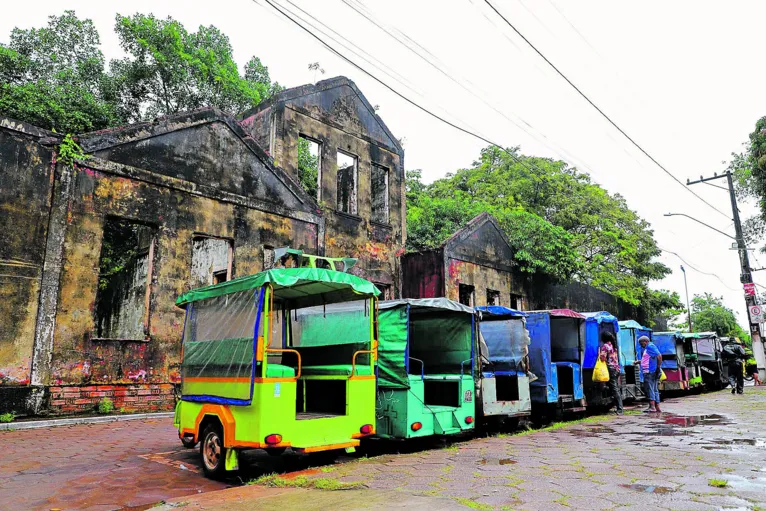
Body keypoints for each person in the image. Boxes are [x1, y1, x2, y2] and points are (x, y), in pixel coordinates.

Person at [635, 335, 662, 413]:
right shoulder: (648, 348)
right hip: (651, 371)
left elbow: (659, 356)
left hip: (650, 372)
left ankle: (652, 407)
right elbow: (647, 359)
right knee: (654, 389)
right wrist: (639, 362)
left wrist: (658, 367)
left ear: (645, 342)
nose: (641, 345)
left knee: (649, 389)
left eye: (641, 343)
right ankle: (657, 407)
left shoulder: (650, 346)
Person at [599, 332, 623, 415]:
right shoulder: (614, 346)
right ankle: (618, 407)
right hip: (617, 368)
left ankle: (620, 409)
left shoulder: (605, 346)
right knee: (616, 388)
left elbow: (602, 358)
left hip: (611, 368)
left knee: (614, 389)